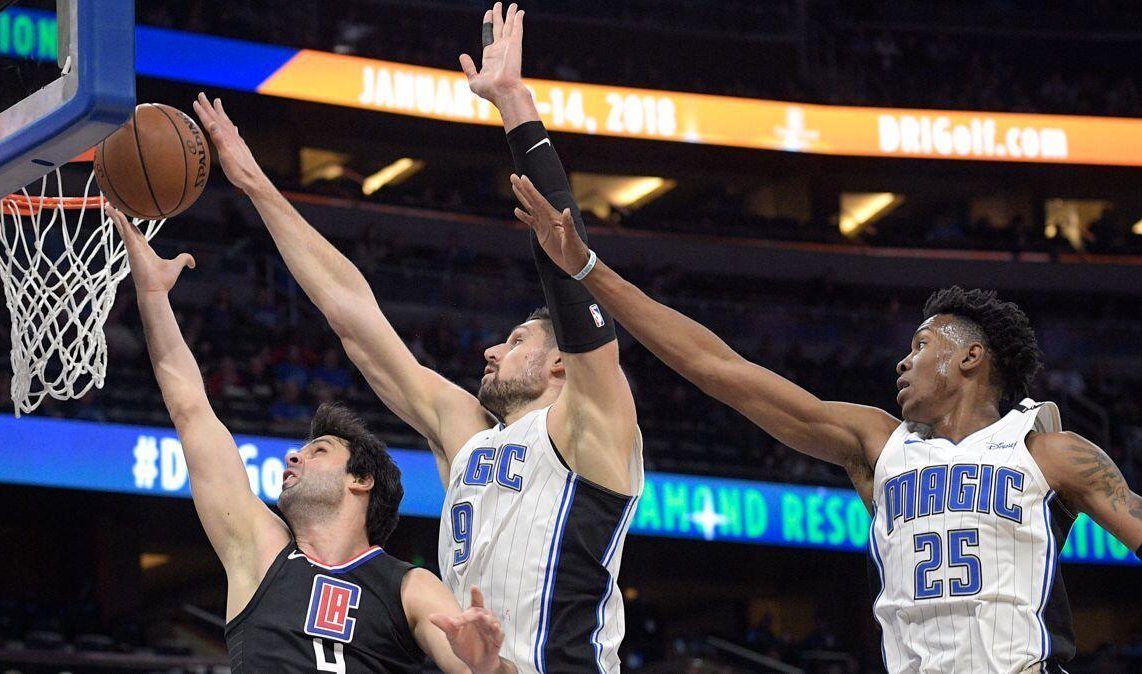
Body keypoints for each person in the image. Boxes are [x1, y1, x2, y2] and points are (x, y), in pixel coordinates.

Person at [513, 173, 1142, 673]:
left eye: (923, 345)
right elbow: (719, 368)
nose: (904, 358)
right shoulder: (875, 441)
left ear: (971, 357)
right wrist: (588, 270)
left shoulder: (1050, 451)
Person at [191, 3, 643, 665]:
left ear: (562, 368)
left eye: (518, 340)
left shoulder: (593, 429)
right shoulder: (467, 434)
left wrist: (515, 107)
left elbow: (570, 272)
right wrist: (258, 185)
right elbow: (355, 317)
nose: (492, 349)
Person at [109, 207, 514, 674]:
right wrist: (152, 295)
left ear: (361, 480)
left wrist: (489, 667)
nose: (293, 455)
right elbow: (191, 411)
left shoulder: (410, 586)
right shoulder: (257, 550)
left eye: (318, 450)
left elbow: (472, 667)